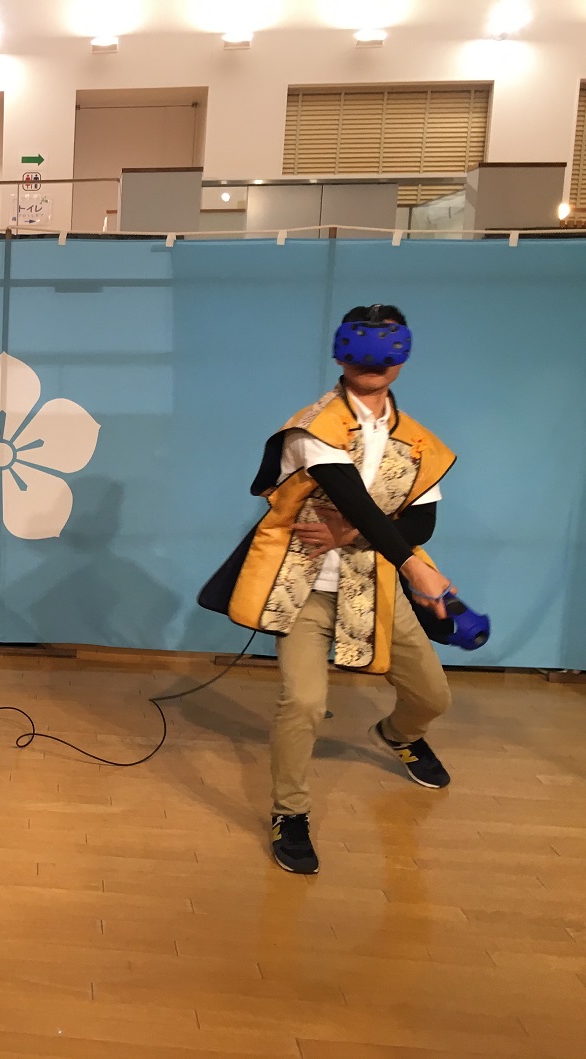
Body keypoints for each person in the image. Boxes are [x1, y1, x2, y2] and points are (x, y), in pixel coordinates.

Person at [200, 305, 457, 875]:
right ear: (341, 353)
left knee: (434, 696)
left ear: (402, 356)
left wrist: (351, 535)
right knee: (304, 703)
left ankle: (399, 734)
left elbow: (421, 522)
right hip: (306, 588)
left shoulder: (417, 443)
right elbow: (353, 497)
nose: (373, 361)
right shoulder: (312, 428)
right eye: (362, 347)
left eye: (386, 348)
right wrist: (414, 567)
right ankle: (289, 812)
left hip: (375, 585)